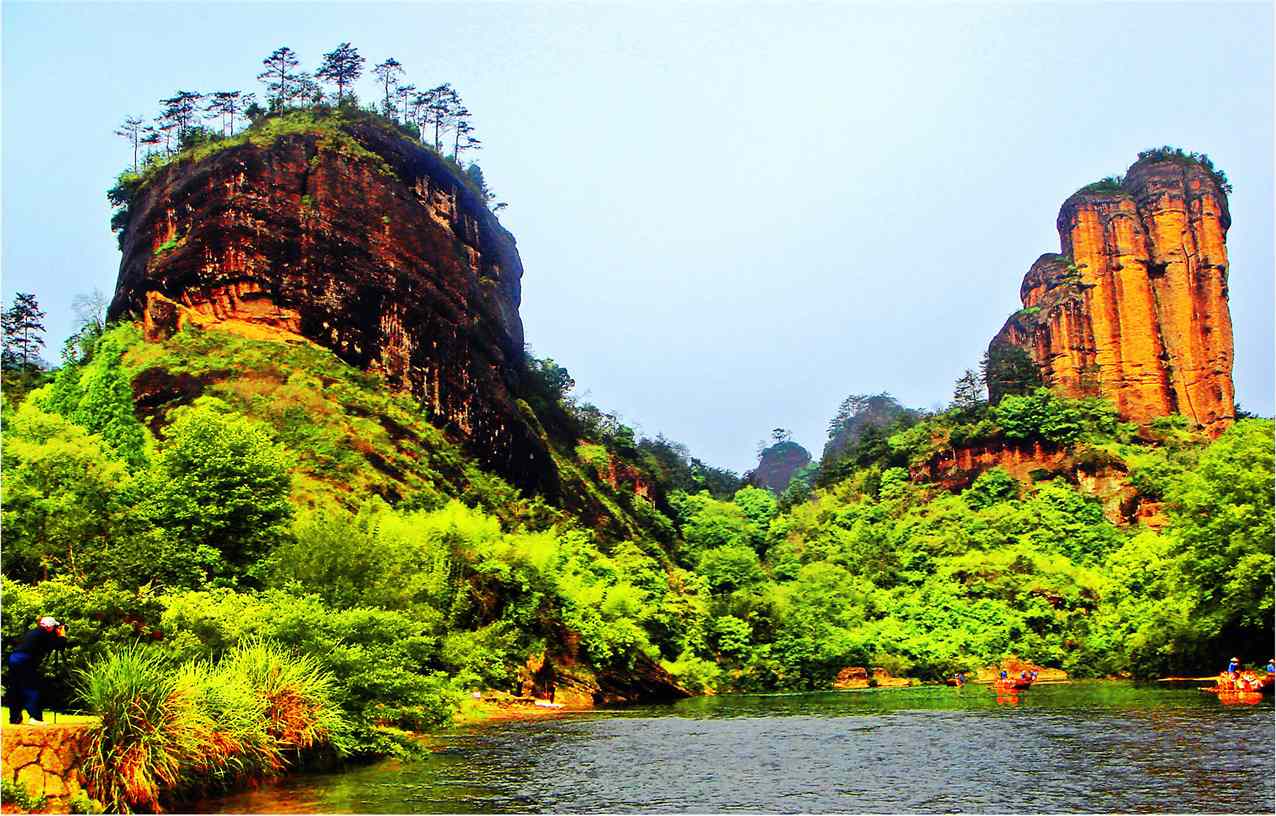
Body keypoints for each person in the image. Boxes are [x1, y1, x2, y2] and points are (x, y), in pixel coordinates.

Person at [6, 616, 68, 725]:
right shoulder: (45, 635)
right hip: (24, 660)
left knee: (16, 688)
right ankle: (35, 717)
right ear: (49, 628)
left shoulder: (34, 632)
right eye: (54, 627)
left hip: (14, 658)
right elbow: (60, 645)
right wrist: (62, 635)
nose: (55, 629)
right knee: (33, 687)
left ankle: (15, 718)